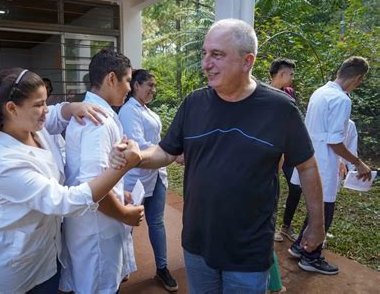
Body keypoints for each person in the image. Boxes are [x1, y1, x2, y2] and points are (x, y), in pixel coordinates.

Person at [114, 19, 325, 293]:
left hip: (248, 251)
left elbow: (307, 167)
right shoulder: (194, 103)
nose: (205, 63)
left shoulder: (280, 109)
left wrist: (317, 225)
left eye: (217, 55)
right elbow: (166, 151)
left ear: (247, 61)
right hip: (198, 244)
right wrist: (138, 156)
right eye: (204, 53)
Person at [0, 67, 142, 293]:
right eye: (39, 104)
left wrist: (72, 107)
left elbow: (57, 115)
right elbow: (65, 201)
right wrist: (123, 166)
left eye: (45, 102)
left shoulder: (28, 128)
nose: (45, 110)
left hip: (43, 253)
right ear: (11, 108)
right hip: (10, 267)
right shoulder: (3, 161)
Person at [61, 49, 145, 293]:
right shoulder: (98, 121)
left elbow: (100, 175)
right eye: (128, 80)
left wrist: (121, 193)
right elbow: (92, 188)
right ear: (111, 78)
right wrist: (124, 214)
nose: (130, 88)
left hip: (93, 223)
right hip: (96, 227)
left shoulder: (96, 113)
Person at [289, 56, 371, 275]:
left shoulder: (320, 92)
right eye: (360, 81)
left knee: (317, 206)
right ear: (358, 78)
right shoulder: (342, 99)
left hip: (309, 159)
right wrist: (357, 163)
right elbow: (335, 140)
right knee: (325, 210)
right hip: (324, 163)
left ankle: (299, 245)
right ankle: (311, 256)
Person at [118, 69, 178, 291]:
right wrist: (170, 153)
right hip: (136, 179)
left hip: (157, 174)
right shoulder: (128, 111)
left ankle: (162, 268)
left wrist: (168, 151)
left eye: (155, 85)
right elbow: (139, 147)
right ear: (136, 85)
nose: (154, 89)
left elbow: (156, 141)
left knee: (157, 223)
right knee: (127, 225)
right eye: (149, 85)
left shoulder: (146, 110)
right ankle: (120, 266)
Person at [269, 58, 302, 242]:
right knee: (271, 190)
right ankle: (269, 227)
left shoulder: (289, 93)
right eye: (290, 73)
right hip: (271, 152)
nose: (292, 77)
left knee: (295, 188)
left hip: (288, 152)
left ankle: (286, 227)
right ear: (281, 74)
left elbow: (292, 122)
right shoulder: (263, 94)